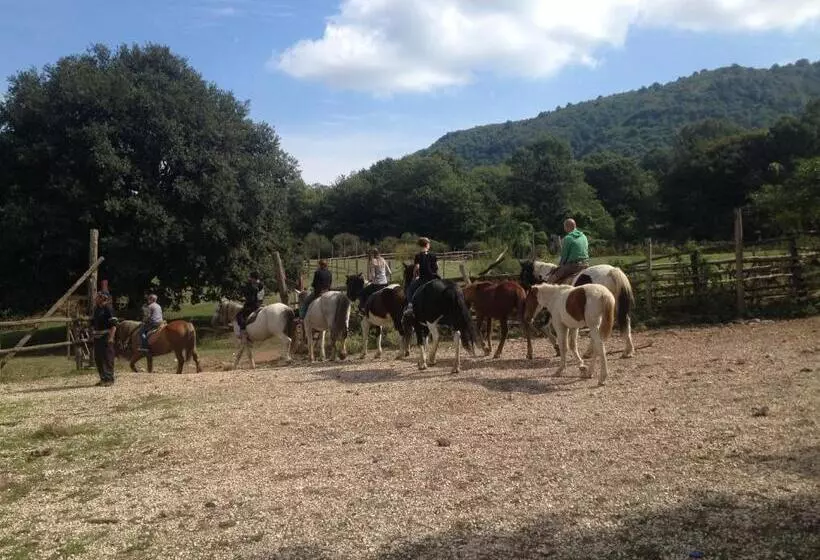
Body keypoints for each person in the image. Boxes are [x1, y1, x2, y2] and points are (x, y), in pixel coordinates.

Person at [546, 218, 590, 285]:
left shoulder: (568, 238)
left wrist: (559, 267)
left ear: (567, 227)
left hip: (574, 266)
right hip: (586, 264)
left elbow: (564, 257)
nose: (564, 228)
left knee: (550, 280)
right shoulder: (584, 236)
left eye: (564, 226)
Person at [403, 237, 439, 317]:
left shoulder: (418, 256)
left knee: (410, 289)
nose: (429, 245)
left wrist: (414, 276)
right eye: (429, 244)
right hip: (434, 278)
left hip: (424, 279)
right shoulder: (433, 255)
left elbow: (417, 268)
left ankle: (410, 307)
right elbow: (437, 267)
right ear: (426, 245)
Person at [91, 291, 118, 387]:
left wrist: (111, 338)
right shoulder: (97, 309)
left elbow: (114, 325)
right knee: (98, 358)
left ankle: (109, 378)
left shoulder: (108, 309)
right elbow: (94, 323)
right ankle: (103, 378)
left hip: (106, 336)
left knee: (107, 357)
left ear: (103, 298)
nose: (96, 298)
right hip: (97, 337)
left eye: (98, 296)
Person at [358, 248, 392, 313]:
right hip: (385, 283)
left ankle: (363, 308)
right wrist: (383, 277)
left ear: (372, 254)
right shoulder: (383, 260)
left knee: (362, 292)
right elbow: (389, 272)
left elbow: (373, 275)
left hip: (377, 284)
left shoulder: (373, 261)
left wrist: (370, 280)